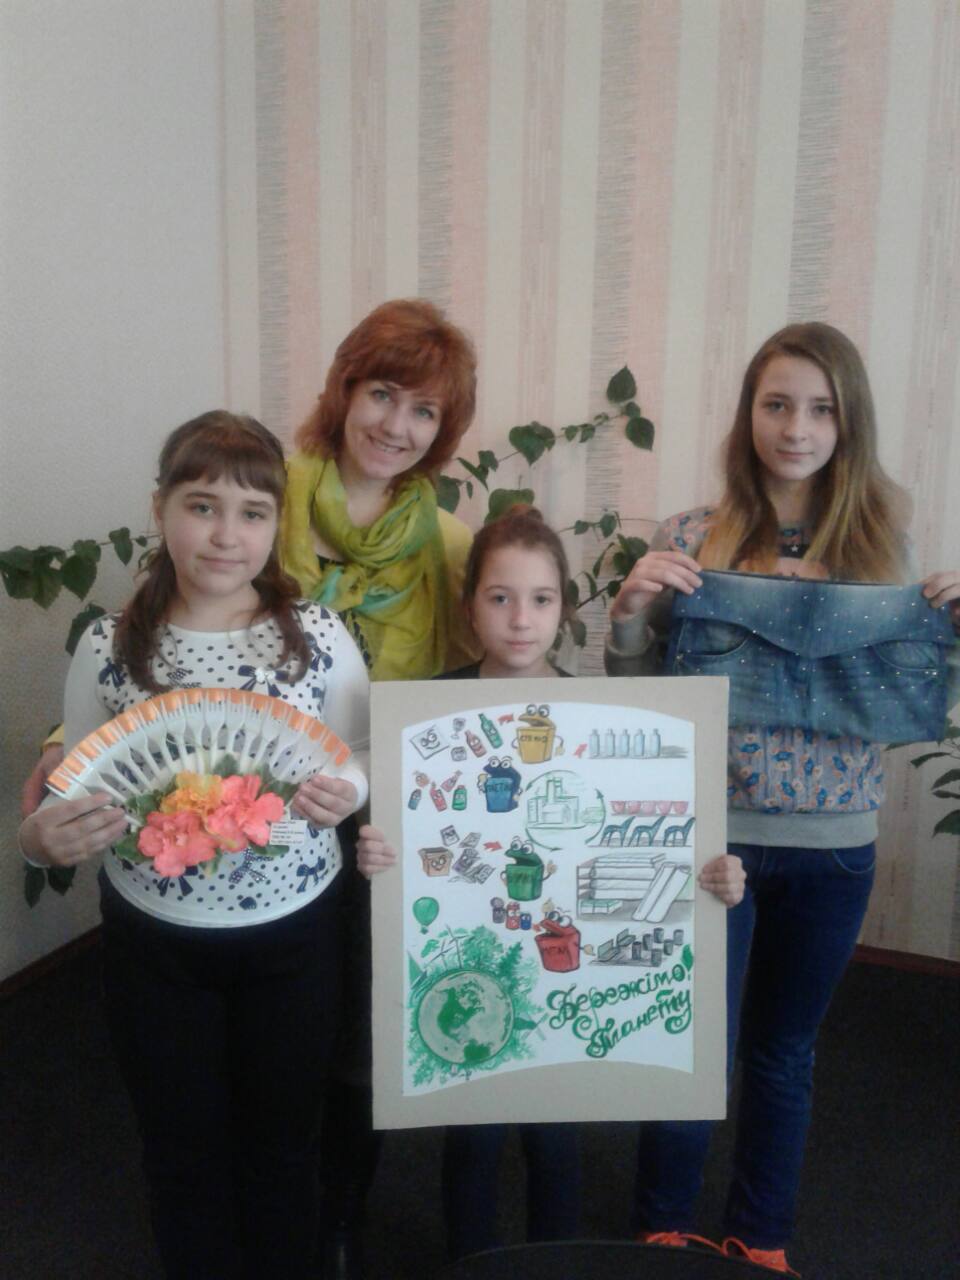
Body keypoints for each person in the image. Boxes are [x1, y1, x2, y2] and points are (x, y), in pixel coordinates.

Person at [605, 322, 960, 1276]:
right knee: (692, 1046)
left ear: (849, 423)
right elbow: (638, 698)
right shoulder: (690, 537)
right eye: (776, 404)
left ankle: (760, 1235)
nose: (796, 428)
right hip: (708, 840)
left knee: (784, 1052)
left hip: (835, 844)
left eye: (820, 408)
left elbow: (913, 702)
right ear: (748, 414)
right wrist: (631, 614)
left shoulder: (886, 549)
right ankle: (660, 1225)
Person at [19, 412, 371, 1280]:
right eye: (202, 505)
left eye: (252, 512)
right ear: (160, 509)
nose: (225, 534)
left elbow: (361, 750)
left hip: (296, 933)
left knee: (283, 1145)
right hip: (153, 941)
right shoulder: (107, 644)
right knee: (180, 1151)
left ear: (276, 524)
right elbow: (76, 780)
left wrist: (351, 790)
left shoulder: (319, 636)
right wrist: (39, 841)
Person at [357, 505, 748, 1260]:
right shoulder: (422, 715)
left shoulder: (598, 718)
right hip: (469, 967)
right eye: (499, 597)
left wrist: (712, 878)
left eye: (540, 599)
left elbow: (659, 837)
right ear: (469, 605)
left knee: (556, 1137)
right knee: (471, 1138)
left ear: (564, 608)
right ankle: (471, 1263)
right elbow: (406, 840)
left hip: (564, 981)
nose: (519, 619)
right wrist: (378, 855)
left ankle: (555, 1262)